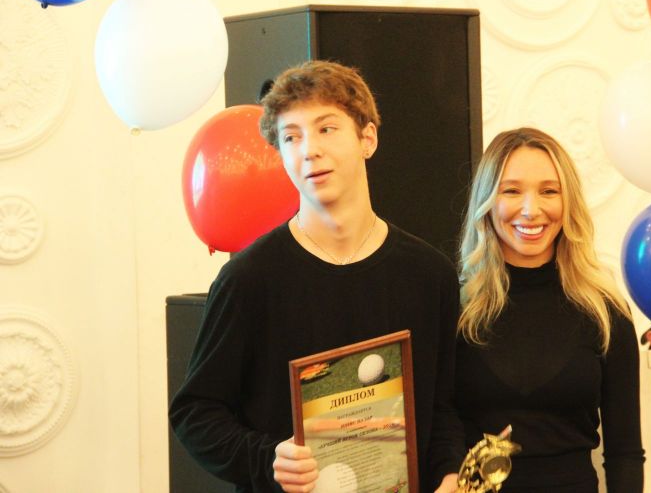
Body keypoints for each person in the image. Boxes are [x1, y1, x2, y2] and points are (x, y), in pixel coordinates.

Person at [169, 60, 463, 492]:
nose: (309, 150)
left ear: (367, 138)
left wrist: (450, 475)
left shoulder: (429, 275)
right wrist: (269, 458)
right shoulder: (248, 280)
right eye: (292, 137)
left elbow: (442, 408)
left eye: (326, 129)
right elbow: (195, 414)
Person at [436, 128, 645, 493]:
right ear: (487, 200)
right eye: (511, 191)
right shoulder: (456, 308)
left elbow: (624, 453)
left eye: (549, 191)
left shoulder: (606, 311)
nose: (531, 210)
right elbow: (439, 426)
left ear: (569, 201)